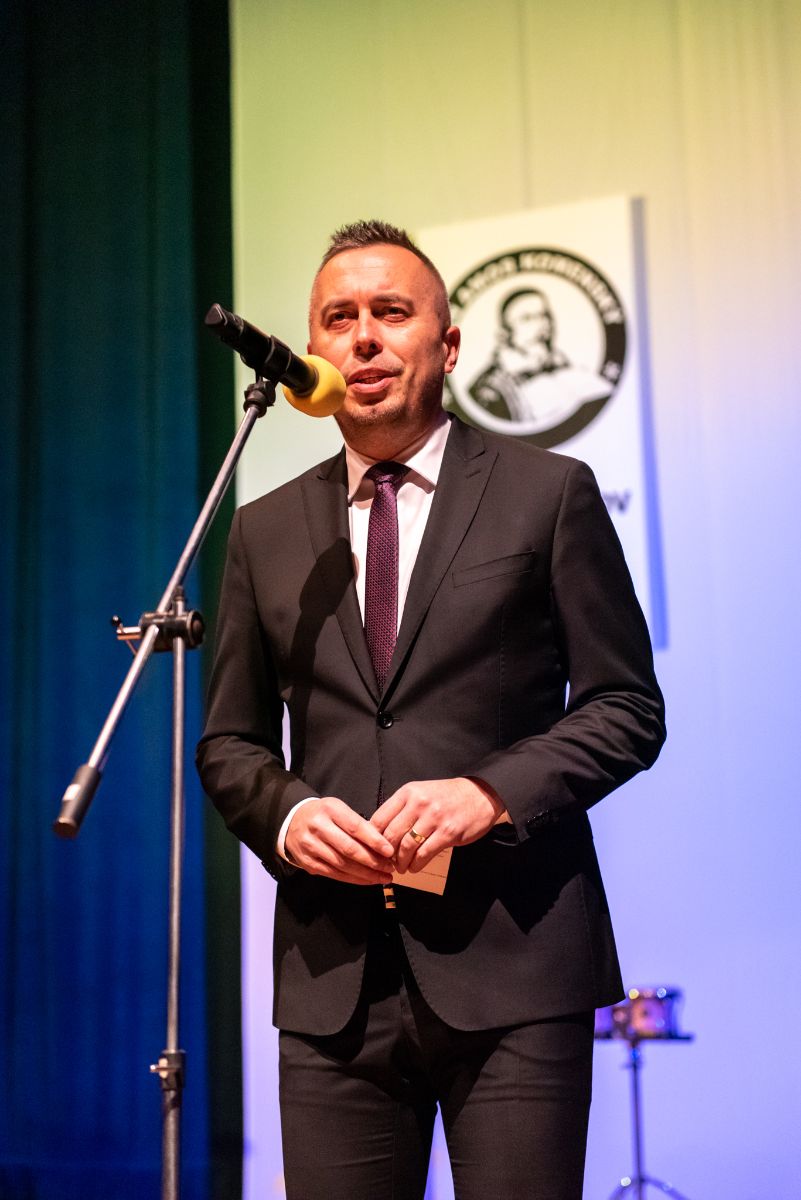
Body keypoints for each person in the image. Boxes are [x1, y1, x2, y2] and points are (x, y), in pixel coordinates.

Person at [196, 220, 665, 1200]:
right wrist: (287, 815)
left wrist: (489, 794)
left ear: (446, 346)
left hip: (517, 966)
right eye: (339, 319)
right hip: (332, 986)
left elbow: (625, 706)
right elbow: (230, 742)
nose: (364, 336)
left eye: (391, 312)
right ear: (311, 358)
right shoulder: (261, 530)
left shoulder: (548, 494)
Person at [469, 286, 613, 431]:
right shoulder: (490, 388)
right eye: (527, 318)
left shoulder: (567, 370)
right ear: (506, 332)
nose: (542, 324)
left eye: (544, 315)